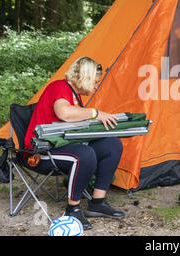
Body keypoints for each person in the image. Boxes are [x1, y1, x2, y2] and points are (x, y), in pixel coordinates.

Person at [23, 56, 125, 230]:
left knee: (111, 145)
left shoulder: (75, 95)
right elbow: (64, 113)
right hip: (39, 152)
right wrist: (95, 113)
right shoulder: (59, 87)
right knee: (84, 154)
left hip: (62, 146)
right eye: (95, 81)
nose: (96, 85)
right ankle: (73, 210)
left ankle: (97, 202)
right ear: (85, 77)